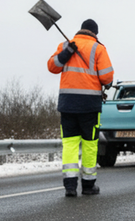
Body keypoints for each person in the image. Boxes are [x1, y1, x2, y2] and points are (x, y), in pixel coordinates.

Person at [47, 19, 114, 197]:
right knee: (90, 145)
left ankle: (70, 186)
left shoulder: (65, 45)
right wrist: (108, 82)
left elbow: (52, 67)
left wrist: (66, 54)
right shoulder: (98, 48)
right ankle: (88, 185)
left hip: (68, 104)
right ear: (95, 33)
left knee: (69, 145)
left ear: (81, 30)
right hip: (89, 106)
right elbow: (107, 77)